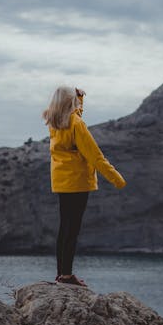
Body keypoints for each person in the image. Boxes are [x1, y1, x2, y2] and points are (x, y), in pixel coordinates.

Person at [43, 86, 126, 287]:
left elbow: (73, 114)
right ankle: (66, 275)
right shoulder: (76, 124)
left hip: (61, 181)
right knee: (73, 229)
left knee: (65, 227)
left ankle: (61, 272)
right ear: (69, 103)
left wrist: (79, 98)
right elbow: (95, 156)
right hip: (78, 182)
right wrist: (116, 178)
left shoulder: (55, 123)